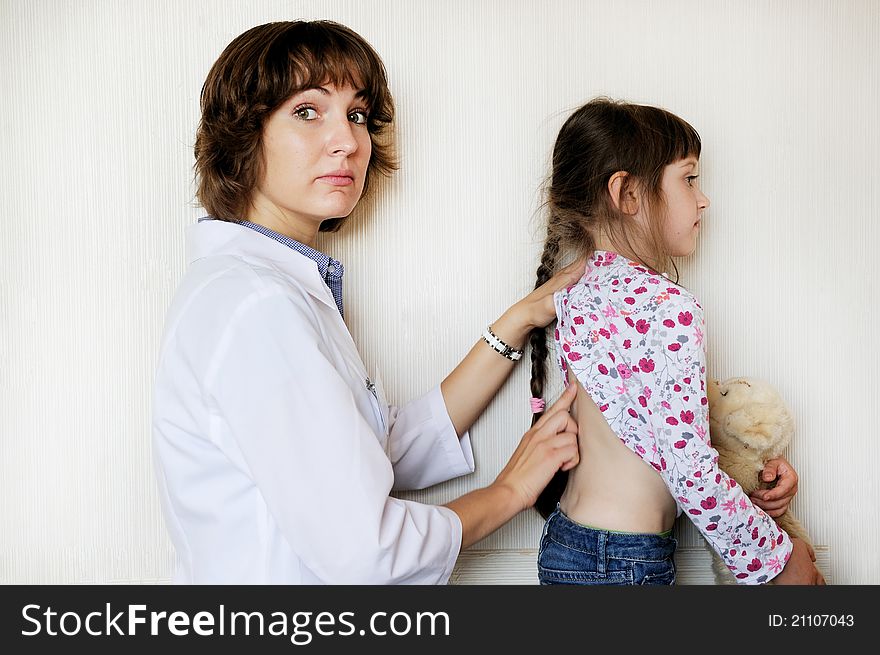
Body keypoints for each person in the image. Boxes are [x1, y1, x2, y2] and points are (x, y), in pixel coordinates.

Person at [151, 20, 583, 584]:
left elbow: (377, 447)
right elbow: (368, 552)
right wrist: (510, 492)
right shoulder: (256, 305)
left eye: (356, 115)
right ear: (242, 135)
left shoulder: (262, 288)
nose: (349, 141)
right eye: (308, 111)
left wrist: (519, 320)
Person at [528, 98, 824, 585]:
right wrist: (776, 558)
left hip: (566, 543)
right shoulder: (669, 306)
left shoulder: (577, 292)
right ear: (626, 194)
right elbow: (687, 468)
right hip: (626, 561)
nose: (703, 198)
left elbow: (648, 436)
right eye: (689, 179)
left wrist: (746, 480)